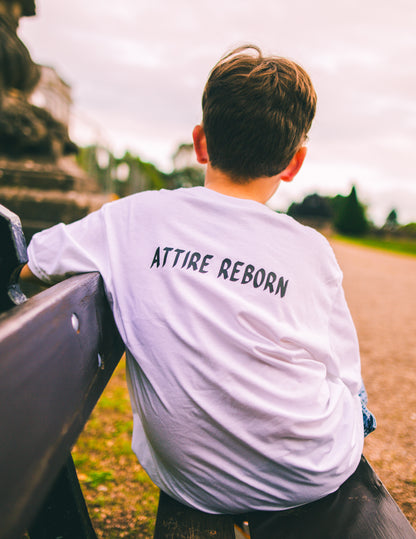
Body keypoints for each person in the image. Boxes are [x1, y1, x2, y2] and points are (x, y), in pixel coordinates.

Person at [21, 44, 375, 514]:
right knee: (350, 393)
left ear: (201, 142)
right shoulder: (312, 250)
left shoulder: (135, 219)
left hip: (195, 481)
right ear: (294, 163)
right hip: (311, 473)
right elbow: (341, 372)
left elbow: (32, 262)